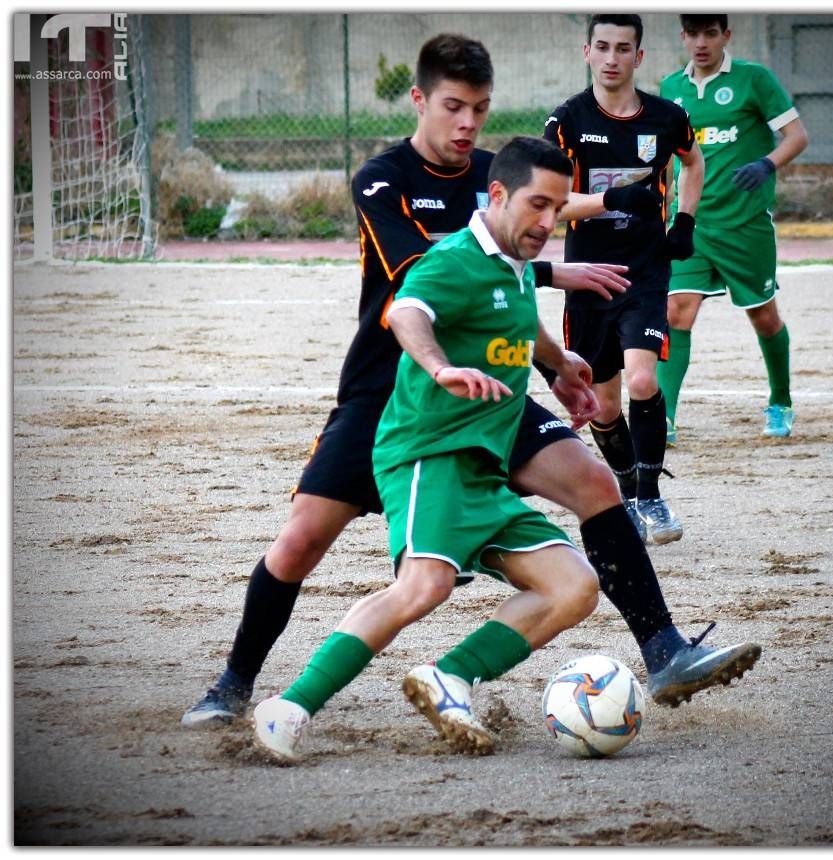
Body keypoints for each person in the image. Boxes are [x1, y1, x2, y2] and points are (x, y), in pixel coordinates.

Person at [182, 34, 759, 730]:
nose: (467, 125)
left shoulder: (498, 171)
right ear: (420, 99)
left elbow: (538, 226)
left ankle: (663, 649)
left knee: (596, 485)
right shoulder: (383, 178)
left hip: (493, 390)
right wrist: (552, 268)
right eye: (454, 107)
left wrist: (558, 355)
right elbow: (430, 268)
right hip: (394, 388)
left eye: (480, 111)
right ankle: (234, 683)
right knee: (302, 541)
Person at [252, 138, 604, 759]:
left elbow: (516, 323)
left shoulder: (513, 264)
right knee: (425, 585)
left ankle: (450, 676)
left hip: (482, 469)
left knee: (573, 585)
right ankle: (290, 707)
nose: (550, 223)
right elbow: (407, 312)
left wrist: (559, 363)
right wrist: (440, 368)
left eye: (559, 208)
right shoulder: (452, 259)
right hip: (428, 454)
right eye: (537, 205)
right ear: (497, 196)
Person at [543, 14, 705, 546]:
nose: (612, 58)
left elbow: (692, 161)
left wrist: (684, 220)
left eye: (624, 48)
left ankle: (651, 496)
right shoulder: (566, 122)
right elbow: (551, 205)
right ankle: (627, 488)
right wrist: (611, 198)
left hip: (644, 270)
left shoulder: (666, 116)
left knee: (642, 381)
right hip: (587, 276)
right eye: (603, 47)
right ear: (585, 52)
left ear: (640, 57)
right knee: (606, 405)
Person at [658, 14, 809, 441]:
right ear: (683, 37)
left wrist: (766, 163)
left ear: (726, 35)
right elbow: (671, 155)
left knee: (763, 316)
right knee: (676, 311)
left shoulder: (754, 79)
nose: (701, 43)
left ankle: (781, 401)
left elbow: (797, 136)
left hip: (744, 223)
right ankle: (664, 418)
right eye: (693, 34)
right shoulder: (672, 89)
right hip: (691, 220)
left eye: (711, 33)